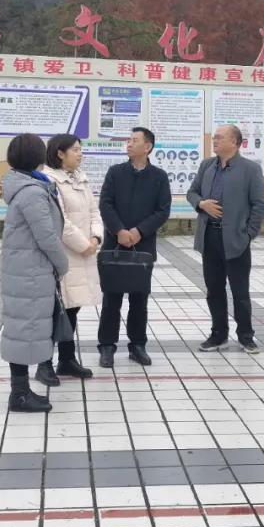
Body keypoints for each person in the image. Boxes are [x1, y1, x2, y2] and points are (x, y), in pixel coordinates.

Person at [0, 133, 71, 413]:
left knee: (23, 328)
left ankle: (21, 391)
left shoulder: (28, 185)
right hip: (30, 272)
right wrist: (62, 264)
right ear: (37, 157)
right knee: (24, 329)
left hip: (27, 270)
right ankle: (19, 394)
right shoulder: (32, 192)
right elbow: (47, 237)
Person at [187, 124, 264, 353]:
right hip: (209, 236)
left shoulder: (250, 169)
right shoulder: (207, 165)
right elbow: (192, 192)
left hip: (236, 240)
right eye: (214, 137)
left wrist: (248, 234)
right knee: (214, 289)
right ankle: (218, 335)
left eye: (219, 137)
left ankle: (245, 335)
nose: (215, 140)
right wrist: (201, 204)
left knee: (240, 291)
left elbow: (259, 205)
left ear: (234, 142)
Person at [97, 127, 172, 368]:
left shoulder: (159, 177)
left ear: (147, 147)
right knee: (111, 298)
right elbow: (105, 204)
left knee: (140, 299)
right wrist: (119, 231)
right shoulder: (115, 172)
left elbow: (163, 210)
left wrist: (139, 231)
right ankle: (107, 346)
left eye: (134, 140)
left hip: (143, 247)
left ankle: (137, 345)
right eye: (128, 140)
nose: (129, 143)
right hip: (115, 244)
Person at [43, 133, 102, 381]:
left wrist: (96, 238)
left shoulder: (80, 178)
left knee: (72, 308)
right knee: (54, 310)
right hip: (64, 254)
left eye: (80, 149)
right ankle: (44, 363)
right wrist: (83, 245)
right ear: (60, 153)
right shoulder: (49, 180)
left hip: (84, 253)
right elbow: (60, 221)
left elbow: (94, 211)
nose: (80, 154)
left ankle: (66, 360)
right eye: (75, 150)